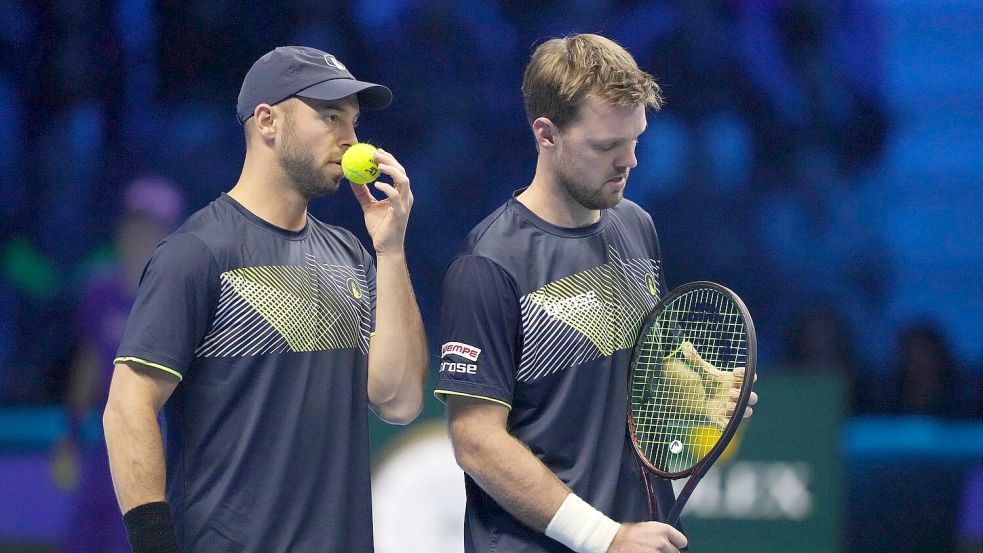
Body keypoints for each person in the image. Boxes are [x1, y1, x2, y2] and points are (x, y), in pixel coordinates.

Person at [436, 34, 756, 553]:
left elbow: (651, 366)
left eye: (635, 140)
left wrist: (706, 393)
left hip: (637, 536)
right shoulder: (488, 264)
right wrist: (603, 537)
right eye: (606, 146)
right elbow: (476, 441)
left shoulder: (636, 226)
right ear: (547, 134)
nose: (628, 161)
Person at [102, 46, 428, 552]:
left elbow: (401, 399)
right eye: (329, 116)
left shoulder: (352, 255)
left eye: (354, 122)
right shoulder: (197, 252)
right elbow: (127, 408)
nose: (350, 140)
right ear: (267, 121)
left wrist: (390, 250)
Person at [53, 176, 183, 553]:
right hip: (104, 438)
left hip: (163, 442)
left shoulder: (181, 294)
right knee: (85, 537)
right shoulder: (101, 291)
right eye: (133, 224)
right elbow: (89, 363)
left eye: (151, 227)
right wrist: (71, 434)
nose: (138, 235)